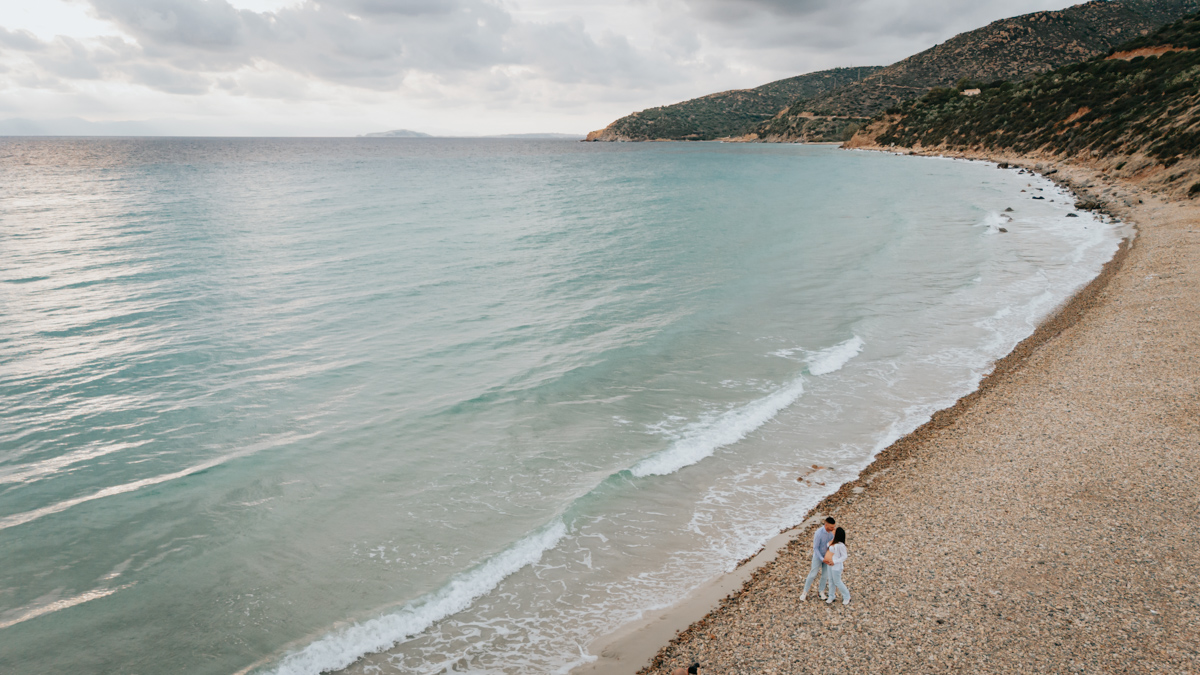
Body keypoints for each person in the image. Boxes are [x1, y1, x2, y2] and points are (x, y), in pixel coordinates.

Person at [801, 516, 836, 601]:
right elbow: (815, 548)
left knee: (825, 575)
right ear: (826, 525)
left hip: (827, 556)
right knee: (813, 574)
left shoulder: (832, 533)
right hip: (818, 556)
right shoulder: (819, 533)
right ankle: (804, 592)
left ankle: (821, 592)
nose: (833, 528)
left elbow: (832, 544)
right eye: (831, 527)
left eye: (834, 527)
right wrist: (821, 558)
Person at [823, 526, 851, 605]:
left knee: (837, 581)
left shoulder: (841, 545)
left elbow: (844, 556)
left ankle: (847, 596)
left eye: (835, 530)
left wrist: (834, 561)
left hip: (836, 566)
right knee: (831, 581)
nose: (833, 530)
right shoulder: (832, 541)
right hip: (829, 565)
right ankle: (831, 596)